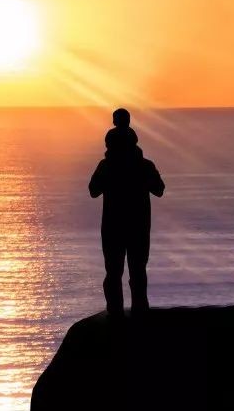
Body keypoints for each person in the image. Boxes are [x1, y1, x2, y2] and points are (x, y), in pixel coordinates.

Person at [88, 108, 165, 318]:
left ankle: (115, 314)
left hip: (113, 226)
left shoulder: (106, 166)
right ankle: (140, 313)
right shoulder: (144, 165)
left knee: (114, 273)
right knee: (137, 272)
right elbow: (159, 189)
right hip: (138, 225)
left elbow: (93, 191)